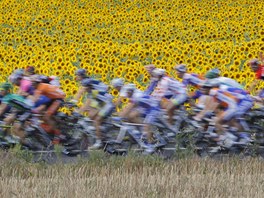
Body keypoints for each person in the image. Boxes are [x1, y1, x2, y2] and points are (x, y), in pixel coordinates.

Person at [78, 78, 114, 149]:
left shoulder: (94, 92)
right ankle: (101, 132)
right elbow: (89, 105)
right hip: (104, 103)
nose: (84, 88)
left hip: (108, 105)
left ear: (89, 86)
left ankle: (99, 141)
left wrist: (80, 112)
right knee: (91, 115)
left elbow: (90, 104)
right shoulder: (91, 92)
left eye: (85, 87)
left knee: (97, 120)